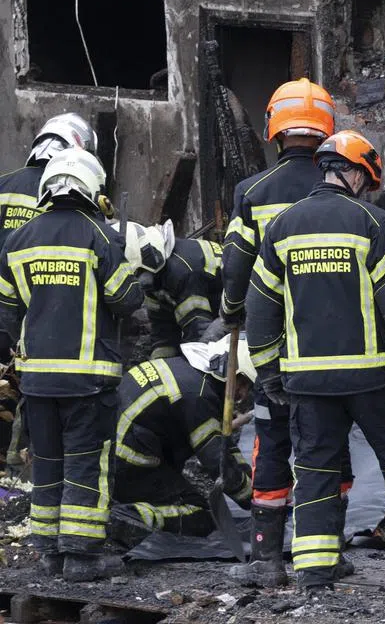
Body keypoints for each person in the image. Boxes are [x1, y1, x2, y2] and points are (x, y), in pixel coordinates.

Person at [246, 129, 385, 591]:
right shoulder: (372, 222)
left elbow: (259, 309)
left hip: (307, 383)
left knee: (316, 471)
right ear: (358, 173)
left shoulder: (282, 227)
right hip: (372, 379)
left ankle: (316, 572)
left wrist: (268, 372)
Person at [220, 78, 352, 586]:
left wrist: (233, 311)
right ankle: (328, 554)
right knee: (329, 444)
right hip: (338, 350)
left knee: (272, 441)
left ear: (275, 130)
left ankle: (267, 560)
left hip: (274, 348)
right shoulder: (348, 189)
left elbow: (236, 266)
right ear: (327, 130)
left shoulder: (251, 193)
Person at [0, 148, 141, 581]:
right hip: (88, 379)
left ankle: (49, 554)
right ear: (91, 187)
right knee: (85, 463)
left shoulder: (18, 240)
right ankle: (80, 557)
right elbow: (126, 300)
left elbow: (7, 311)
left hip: (37, 380)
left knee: (46, 460)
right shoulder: (98, 236)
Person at [0, 113, 99, 465]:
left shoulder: (2, 184)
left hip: (6, 303)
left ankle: (7, 461)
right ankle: (23, 459)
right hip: (43, 312)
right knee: (31, 392)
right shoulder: (71, 202)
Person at [110, 335, 255, 545]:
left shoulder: (186, 370)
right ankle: (130, 516)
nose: (242, 394)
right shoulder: (199, 397)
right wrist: (253, 500)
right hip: (129, 466)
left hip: (110, 455)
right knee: (200, 514)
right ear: (231, 373)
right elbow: (216, 461)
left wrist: (251, 478)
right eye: (243, 384)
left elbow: (223, 445)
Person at [117, 220, 223, 358]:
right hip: (215, 312)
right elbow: (162, 328)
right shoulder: (157, 275)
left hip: (238, 314)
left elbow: (198, 330)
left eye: (136, 274)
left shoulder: (182, 271)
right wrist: (159, 360)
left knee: (203, 348)